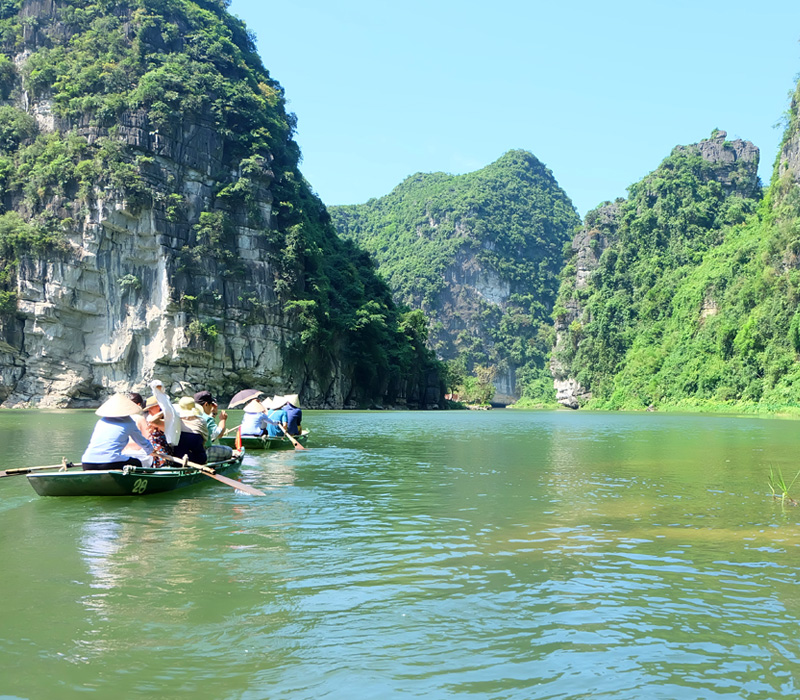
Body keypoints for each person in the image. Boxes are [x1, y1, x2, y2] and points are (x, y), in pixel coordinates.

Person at [82, 394, 154, 471]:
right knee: (138, 463)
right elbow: (142, 442)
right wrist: (152, 451)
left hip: (87, 462)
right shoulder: (129, 422)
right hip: (110, 462)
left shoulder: (101, 421)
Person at [173, 396, 208, 464]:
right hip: (199, 459)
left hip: (178, 459)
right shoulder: (202, 421)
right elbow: (204, 440)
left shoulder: (176, 421)